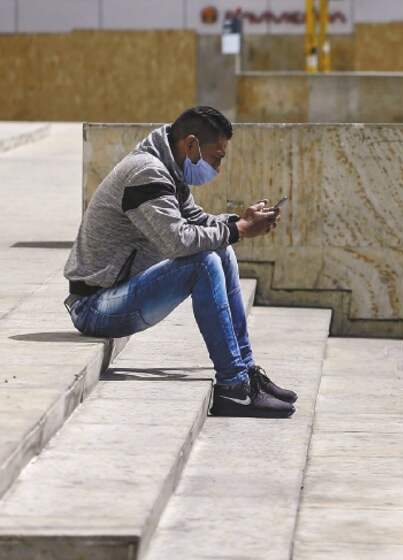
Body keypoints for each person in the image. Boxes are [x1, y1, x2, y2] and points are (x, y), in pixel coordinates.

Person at [64, 106, 297, 418]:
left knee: (221, 250)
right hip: (94, 307)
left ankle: (245, 371)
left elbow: (197, 221)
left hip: (120, 294)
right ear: (191, 145)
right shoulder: (146, 172)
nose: (219, 167)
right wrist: (238, 230)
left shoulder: (168, 166)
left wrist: (239, 222)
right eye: (218, 157)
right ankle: (233, 387)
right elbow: (176, 241)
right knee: (203, 262)